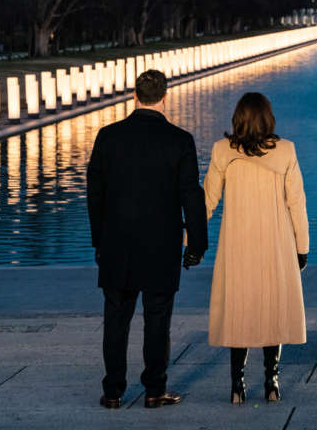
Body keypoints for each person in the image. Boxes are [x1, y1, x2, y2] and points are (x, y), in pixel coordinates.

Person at [86, 69, 208, 409]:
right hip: (161, 245)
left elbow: (94, 193)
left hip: (116, 243)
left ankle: (113, 391)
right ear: (165, 97)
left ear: (134, 96)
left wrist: (99, 239)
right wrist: (196, 245)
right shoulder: (179, 140)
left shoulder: (108, 137)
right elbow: (190, 196)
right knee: (158, 321)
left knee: (116, 320)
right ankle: (155, 390)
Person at [204, 92, 309, 405]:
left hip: (237, 244)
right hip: (275, 243)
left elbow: (207, 200)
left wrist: (188, 238)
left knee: (240, 310)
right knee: (271, 309)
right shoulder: (286, 151)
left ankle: (237, 384)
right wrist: (302, 247)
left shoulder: (223, 150)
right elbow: (297, 204)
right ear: (268, 117)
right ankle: (272, 380)